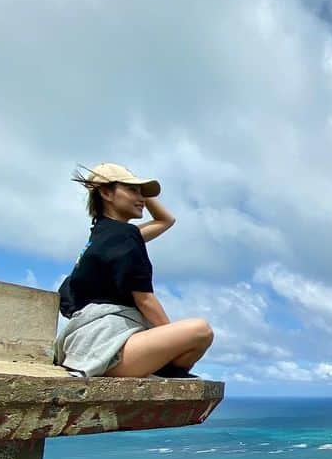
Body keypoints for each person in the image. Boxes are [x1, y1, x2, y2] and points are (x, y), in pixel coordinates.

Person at [53, 162, 213, 378]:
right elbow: (144, 300)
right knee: (201, 331)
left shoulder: (103, 235)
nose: (141, 200)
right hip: (107, 349)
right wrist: (170, 345)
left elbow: (166, 221)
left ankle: (159, 370)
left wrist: (139, 190)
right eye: (132, 190)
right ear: (107, 193)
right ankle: (160, 370)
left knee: (187, 338)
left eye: (141, 193)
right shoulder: (124, 236)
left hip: (82, 344)